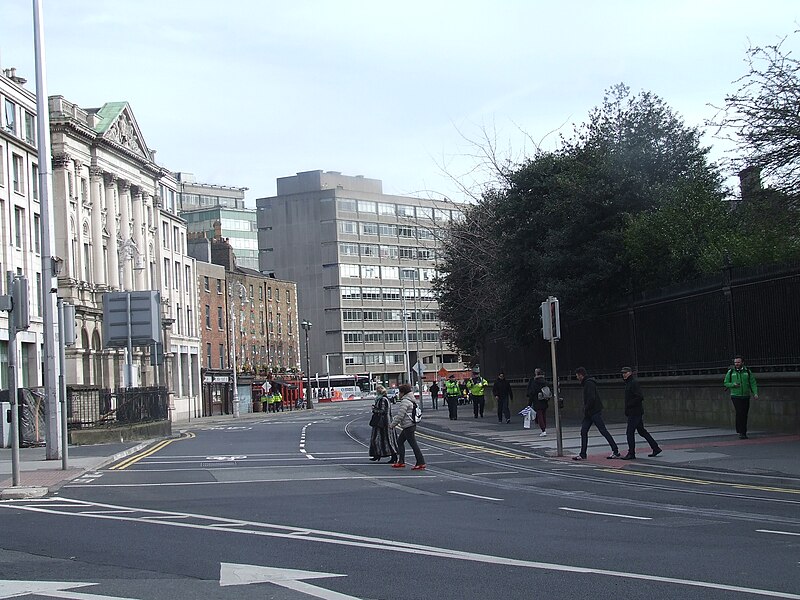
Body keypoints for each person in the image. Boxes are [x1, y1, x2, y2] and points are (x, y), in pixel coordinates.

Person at [573, 367, 621, 461]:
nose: (577, 378)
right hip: (590, 413)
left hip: (594, 411)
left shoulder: (589, 383)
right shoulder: (587, 383)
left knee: (602, 430)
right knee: (584, 431)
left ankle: (615, 450)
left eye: (577, 376)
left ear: (581, 375)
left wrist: (586, 408)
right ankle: (583, 454)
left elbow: (591, 398)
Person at [620, 367, 661, 459]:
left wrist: (629, 405)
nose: (624, 374)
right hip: (634, 411)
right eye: (623, 373)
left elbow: (639, 397)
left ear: (630, 373)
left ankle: (631, 453)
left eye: (626, 372)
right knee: (642, 431)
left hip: (635, 412)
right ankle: (655, 448)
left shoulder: (633, 383)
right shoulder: (628, 383)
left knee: (630, 432)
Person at [390, 383, 426, 470]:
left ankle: (420, 462)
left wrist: (392, 425)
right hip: (410, 424)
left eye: (399, 392)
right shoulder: (411, 400)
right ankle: (401, 461)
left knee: (413, 445)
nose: (398, 394)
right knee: (400, 441)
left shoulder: (405, 401)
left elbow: (400, 415)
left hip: (408, 425)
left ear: (403, 393)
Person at [724, 355, 759, 439]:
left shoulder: (747, 372)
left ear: (742, 362)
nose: (737, 364)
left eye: (738, 362)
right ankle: (741, 432)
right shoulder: (731, 372)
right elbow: (725, 383)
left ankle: (743, 431)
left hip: (746, 396)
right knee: (740, 412)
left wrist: (755, 393)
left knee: (744, 414)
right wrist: (733, 384)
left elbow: (753, 383)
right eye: (735, 362)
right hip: (735, 396)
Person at [368, 385, 398, 463]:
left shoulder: (383, 399)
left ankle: (393, 456)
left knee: (386, 439)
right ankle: (377, 454)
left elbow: (383, 410)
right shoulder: (382, 399)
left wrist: (374, 409)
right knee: (379, 439)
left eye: (377, 390)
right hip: (382, 422)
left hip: (383, 422)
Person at [526, 368, 551, 437]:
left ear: (536, 374)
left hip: (537, 400)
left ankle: (543, 430)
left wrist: (529, 404)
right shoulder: (545, 382)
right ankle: (544, 428)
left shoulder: (534, 382)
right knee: (544, 415)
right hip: (544, 400)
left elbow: (532, 393)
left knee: (539, 415)